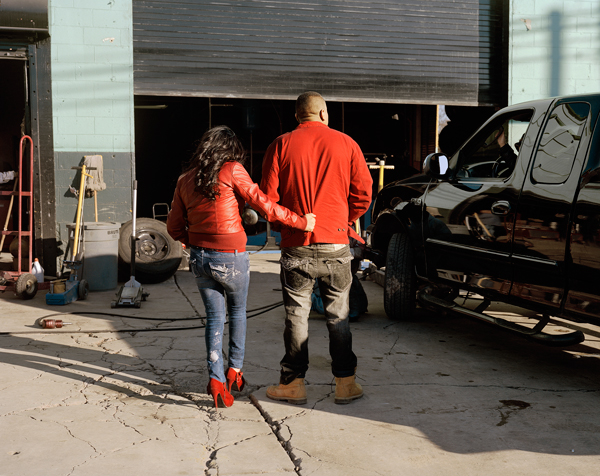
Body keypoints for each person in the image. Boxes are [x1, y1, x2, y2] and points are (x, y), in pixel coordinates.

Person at [166, 125, 316, 409]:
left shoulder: (184, 179)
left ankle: (216, 380)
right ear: (230, 151)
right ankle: (234, 371)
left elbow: (173, 227)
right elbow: (265, 205)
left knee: (213, 318)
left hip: (200, 258)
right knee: (236, 313)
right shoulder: (233, 170)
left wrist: (196, 242)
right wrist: (301, 221)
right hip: (231, 256)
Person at [260, 91, 373, 405]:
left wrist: (292, 223)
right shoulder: (347, 143)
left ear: (298, 116)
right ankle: (346, 383)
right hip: (337, 244)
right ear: (324, 114)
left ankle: (293, 383)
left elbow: (267, 201)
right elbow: (364, 193)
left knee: (296, 316)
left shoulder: (280, 144)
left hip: (297, 246)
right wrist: (343, 220)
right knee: (339, 317)